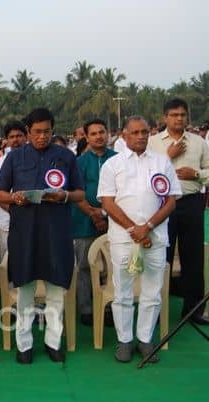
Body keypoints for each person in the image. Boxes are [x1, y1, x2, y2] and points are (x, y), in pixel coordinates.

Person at [0, 108, 84, 364]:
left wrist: (64, 196)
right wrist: (14, 197)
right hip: (25, 232)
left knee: (56, 287)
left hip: (56, 231)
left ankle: (53, 342)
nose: (42, 137)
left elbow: (80, 193)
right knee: (25, 289)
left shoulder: (66, 156)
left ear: (52, 130)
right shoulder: (14, 158)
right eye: (36, 132)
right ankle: (24, 344)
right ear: (28, 132)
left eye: (47, 131)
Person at [98, 116, 181, 363]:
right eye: (135, 132)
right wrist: (134, 228)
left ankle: (145, 339)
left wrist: (149, 226)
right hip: (124, 238)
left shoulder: (162, 161)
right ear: (124, 136)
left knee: (152, 291)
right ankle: (124, 341)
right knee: (122, 290)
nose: (141, 136)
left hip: (155, 236)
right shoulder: (113, 164)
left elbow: (171, 200)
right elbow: (107, 202)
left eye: (145, 132)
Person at [148, 98, 209, 325]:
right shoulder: (153, 142)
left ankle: (194, 311)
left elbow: (208, 170)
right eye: (174, 115)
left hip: (192, 202)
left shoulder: (199, 142)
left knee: (193, 257)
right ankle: (155, 309)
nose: (179, 119)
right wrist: (168, 156)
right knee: (160, 256)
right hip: (161, 205)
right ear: (165, 117)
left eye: (183, 115)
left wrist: (196, 175)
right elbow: (145, 172)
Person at [71, 119, 116, 326]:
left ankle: (109, 307)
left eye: (102, 132)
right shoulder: (79, 162)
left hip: (115, 219)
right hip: (83, 219)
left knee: (111, 265)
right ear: (86, 137)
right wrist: (94, 214)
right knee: (84, 265)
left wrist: (106, 213)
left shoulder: (118, 160)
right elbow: (76, 194)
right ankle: (87, 309)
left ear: (107, 134)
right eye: (94, 134)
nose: (99, 136)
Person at [0, 121, 27, 259]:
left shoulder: (33, 159)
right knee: (9, 257)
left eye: (19, 136)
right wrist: (14, 211)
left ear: (26, 137)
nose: (15, 140)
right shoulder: (0, 162)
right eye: (11, 137)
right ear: (6, 140)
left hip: (31, 216)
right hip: (7, 216)